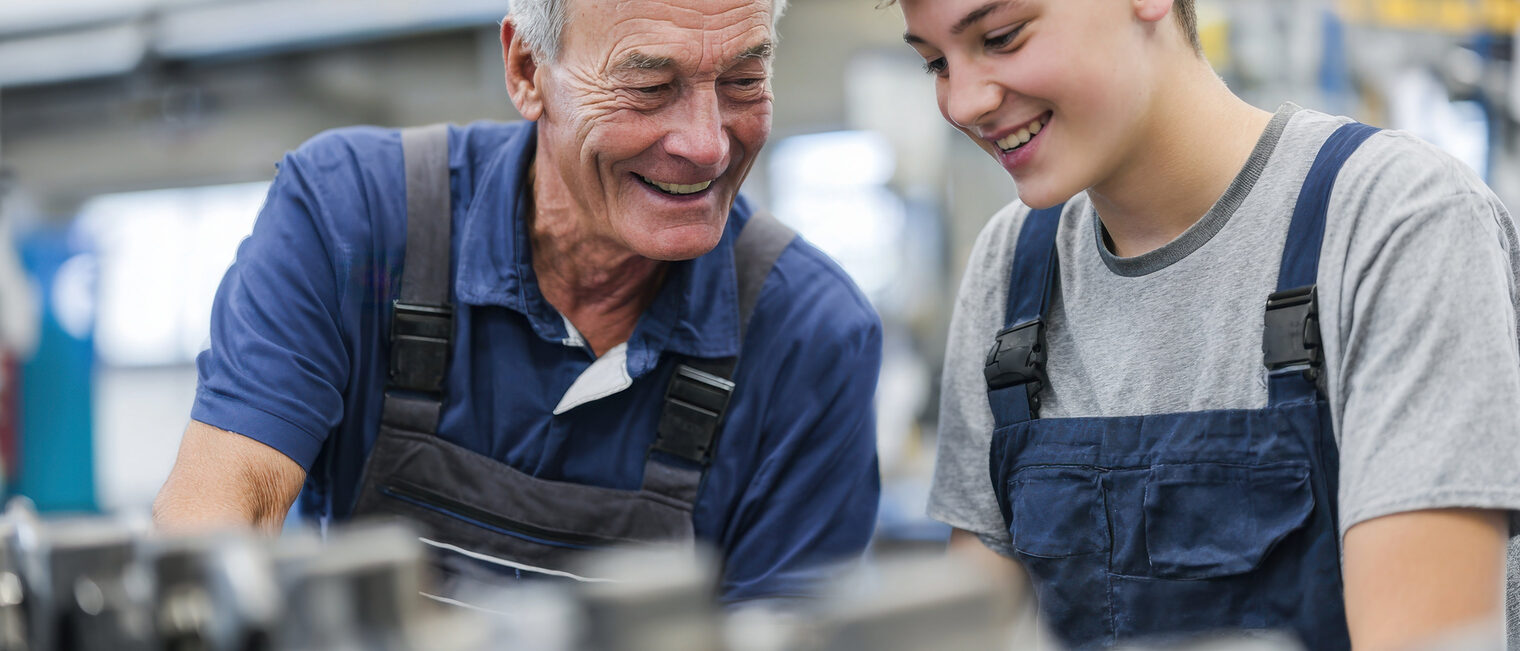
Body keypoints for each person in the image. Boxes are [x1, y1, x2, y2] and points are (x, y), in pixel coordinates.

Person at [153, 0, 883, 605]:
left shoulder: (810, 340)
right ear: (528, 70)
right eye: (650, 86)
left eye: (743, 80)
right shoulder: (352, 220)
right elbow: (216, 527)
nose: (707, 145)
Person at [897, 0, 1520, 648]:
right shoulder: (1014, 268)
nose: (963, 103)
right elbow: (972, 629)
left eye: (1001, 37)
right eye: (937, 63)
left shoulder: (1394, 221)